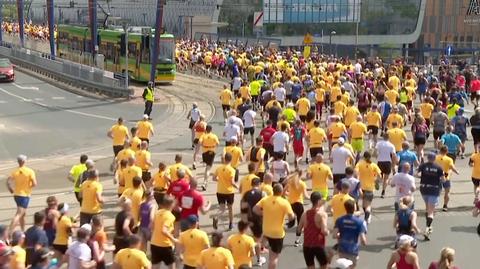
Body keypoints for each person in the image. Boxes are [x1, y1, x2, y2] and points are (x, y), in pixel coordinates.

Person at [254, 184, 295, 269]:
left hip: (266, 231)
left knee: (270, 254)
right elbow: (291, 217)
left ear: (273, 190)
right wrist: (290, 222)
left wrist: (264, 214)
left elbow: (255, 209)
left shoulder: (265, 199)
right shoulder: (284, 202)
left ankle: (261, 248)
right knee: (274, 258)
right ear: (281, 192)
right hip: (277, 234)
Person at [416, 152, 444, 241]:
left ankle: (428, 222)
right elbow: (443, 179)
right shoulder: (439, 168)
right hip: (434, 189)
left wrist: (424, 176)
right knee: (431, 212)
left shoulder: (423, 166)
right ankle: (428, 228)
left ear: (427, 158)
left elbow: (417, 174)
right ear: (434, 158)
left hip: (424, 189)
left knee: (427, 207)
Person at [297, 192, 329, 269]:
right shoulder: (321, 215)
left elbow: (298, 230)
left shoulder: (305, 214)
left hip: (307, 246)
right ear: (318, 201)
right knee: (324, 266)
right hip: (318, 245)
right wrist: (329, 231)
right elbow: (324, 231)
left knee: (310, 267)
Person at [7, 154, 37, 233]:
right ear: (24, 161)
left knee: (23, 214)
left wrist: (10, 188)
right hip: (24, 195)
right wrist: (29, 186)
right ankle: (9, 232)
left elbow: (8, 181)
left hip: (16, 195)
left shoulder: (15, 171)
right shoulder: (30, 171)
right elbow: (34, 183)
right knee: (19, 214)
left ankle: (23, 231)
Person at [333, 199, 367, 268]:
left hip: (342, 249)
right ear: (354, 208)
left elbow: (334, 235)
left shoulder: (339, 220)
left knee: (343, 267)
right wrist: (364, 243)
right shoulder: (359, 222)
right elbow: (363, 240)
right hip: (353, 250)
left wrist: (339, 236)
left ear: (345, 208)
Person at [213, 153, 238, 231]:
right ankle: (230, 224)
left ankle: (216, 217)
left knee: (222, 208)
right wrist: (237, 187)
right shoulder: (232, 170)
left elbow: (214, 178)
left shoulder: (219, 168)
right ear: (231, 160)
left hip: (220, 191)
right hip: (229, 191)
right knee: (230, 208)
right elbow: (232, 182)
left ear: (224, 159)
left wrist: (220, 180)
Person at [150, 196, 177, 269]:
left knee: (155, 266)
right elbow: (164, 230)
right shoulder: (170, 216)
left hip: (154, 243)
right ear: (171, 204)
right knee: (171, 266)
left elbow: (151, 225)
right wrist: (174, 239)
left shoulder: (158, 212)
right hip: (165, 245)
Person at [284, 171, 309, 246]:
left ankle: (290, 223)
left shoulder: (290, 182)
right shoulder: (302, 184)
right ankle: (297, 241)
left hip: (290, 204)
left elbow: (283, 192)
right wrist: (312, 197)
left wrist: (289, 195)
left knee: (291, 219)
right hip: (299, 204)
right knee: (300, 223)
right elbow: (305, 196)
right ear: (301, 175)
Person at [356, 151, 381, 223]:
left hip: (361, 187)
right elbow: (379, 176)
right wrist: (376, 181)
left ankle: (366, 216)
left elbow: (356, 172)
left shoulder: (359, 164)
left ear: (363, 157)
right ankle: (367, 218)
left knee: (363, 205)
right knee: (368, 205)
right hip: (370, 188)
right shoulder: (374, 165)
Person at [435, 146, 460, 212]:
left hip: (437, 177)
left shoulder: (436, 158)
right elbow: (452, 167)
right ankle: (445, 206)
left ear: (440, 151)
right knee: (447, 192)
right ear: (447, 151)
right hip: (446, 177)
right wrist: (457, 172)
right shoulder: (449, 159)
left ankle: (434, 203)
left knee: (437, 191)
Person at [376, 133, 398, 198]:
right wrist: (393, 165)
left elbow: (375, 152)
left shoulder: (379, 144)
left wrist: (377, 156)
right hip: (388, 162)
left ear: (383, 137)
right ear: (389, 137)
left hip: (380, 161)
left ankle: (377, 181)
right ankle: (383, 191)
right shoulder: (391, 145)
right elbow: (393, 155)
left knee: (379, 176)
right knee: (386, 178)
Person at [199, 124, 220, 190]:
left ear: (206, 129)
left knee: (206, 168)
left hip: (205, 152)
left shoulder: (203, 135)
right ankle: (205, 183)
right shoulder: (214, 136)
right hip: (211, 151)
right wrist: (214, 147)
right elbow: (217, 143)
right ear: (211, 130)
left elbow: (199, 142)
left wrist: (203, 145)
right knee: (208, 168)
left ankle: (205, 182)